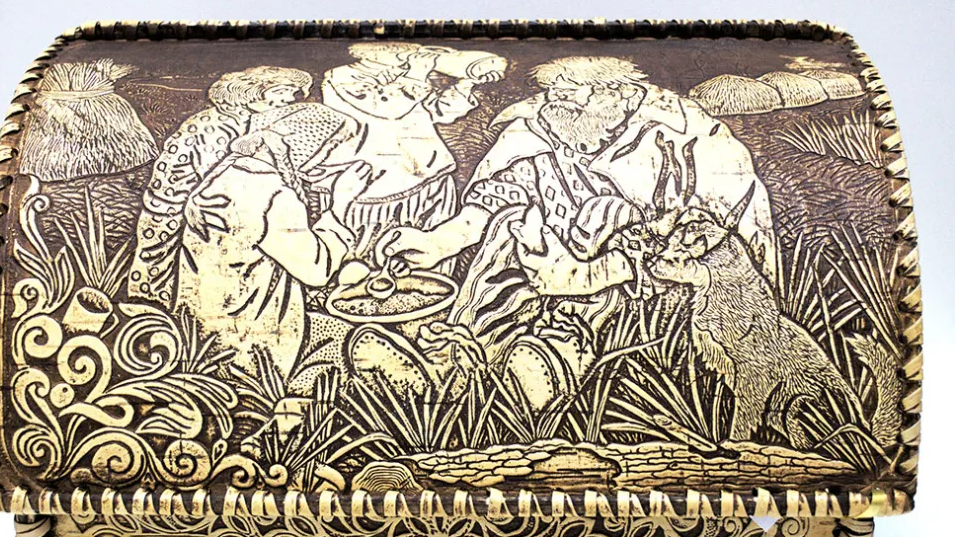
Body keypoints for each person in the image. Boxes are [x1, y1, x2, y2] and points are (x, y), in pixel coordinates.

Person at [365, 56, 777, 409]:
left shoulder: (690, 140)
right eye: (553, 90)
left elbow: (705, 244)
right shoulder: (540, 128)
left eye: (570, 90)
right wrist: (440, 241)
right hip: (538, 274)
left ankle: (545, 365)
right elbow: (502, 193)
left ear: (620, 94)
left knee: (607, 215)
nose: (555, 100)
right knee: (512, 226)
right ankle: (453, 362)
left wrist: (583, 276)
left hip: (636, 291)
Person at [175, 122, 372, 378]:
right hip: (253, 348)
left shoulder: (227, 174)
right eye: (327, 152)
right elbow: (317, 270)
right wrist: (340, 203)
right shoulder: (274, 195)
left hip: (202, 331)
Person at [128, 66, 315, 307]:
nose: (289, 99)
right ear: (252, 92)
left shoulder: (256, 121)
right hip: (174, 210)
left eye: (292, 92)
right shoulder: (214, 125)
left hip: (217, 209)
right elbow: (218, 179)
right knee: (161, 268)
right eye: (280, 91)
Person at [321, 42, 505, 270]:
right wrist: (417, 73)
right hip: (373, 190)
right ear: (367, 51)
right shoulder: (343, 77)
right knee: (365, 266)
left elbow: (441, 112)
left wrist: (466, 84)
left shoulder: (405, 75)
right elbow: (389, 108)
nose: (407, 54)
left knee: (427, 263)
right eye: (396, 49)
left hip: (430, 180)